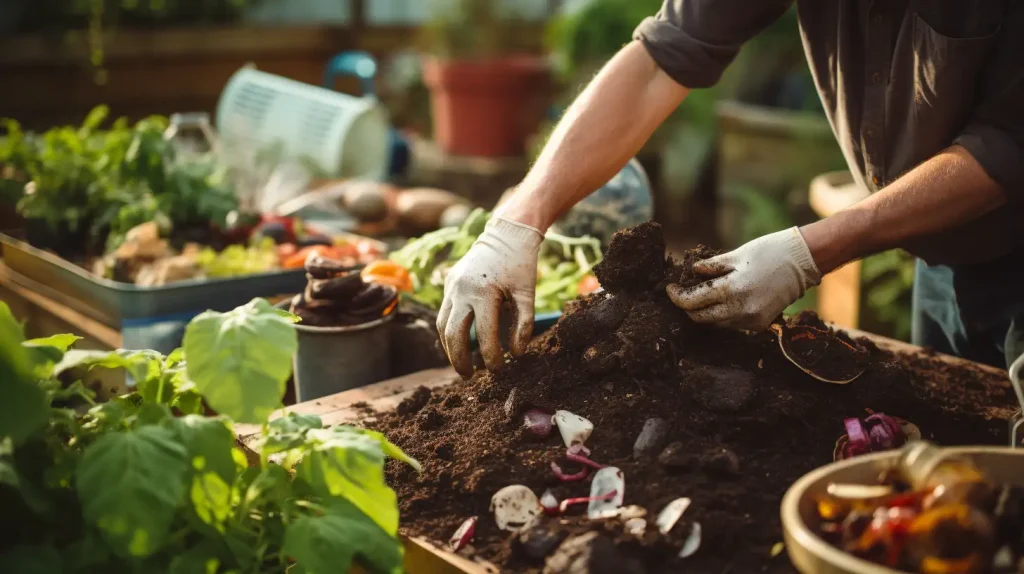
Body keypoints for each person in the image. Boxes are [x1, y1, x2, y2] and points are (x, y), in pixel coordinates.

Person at [437, 0, 1024, 379]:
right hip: (940, 259)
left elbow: (1008, 144)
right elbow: (658, 61)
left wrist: (808, 253)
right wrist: (517, 219)